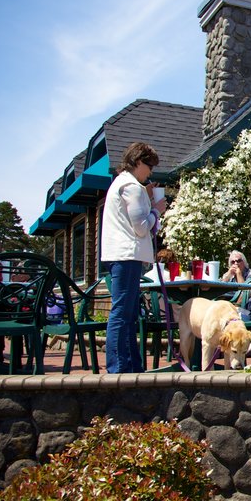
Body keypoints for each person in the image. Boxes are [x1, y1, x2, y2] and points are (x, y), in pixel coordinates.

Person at [100, 141, 166, 373]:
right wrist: (157, 209)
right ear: (138, 162)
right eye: (149, 166)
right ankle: (118, 368)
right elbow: (141, 227)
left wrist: (146, 199)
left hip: (119, 256)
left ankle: (130, 366)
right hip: (127, 255)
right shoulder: (132, 187)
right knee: (122, 314)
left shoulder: (121, 184)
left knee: (127, 314)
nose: (150, 172)